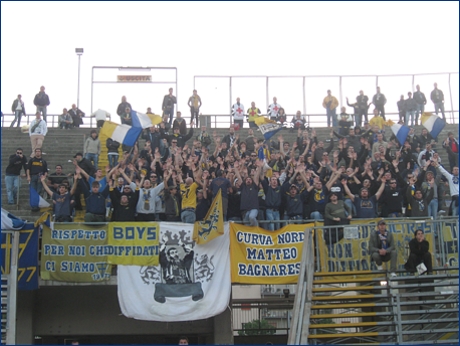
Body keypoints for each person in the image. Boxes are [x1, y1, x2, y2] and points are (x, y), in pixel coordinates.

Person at [234, 161, 262, 226]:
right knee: (246, 227)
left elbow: (257, 176)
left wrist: (259, 167)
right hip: (245, 210)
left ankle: (256, 229)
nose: (248, 180)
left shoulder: (254, 187)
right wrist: (235, 168)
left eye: (250, 179)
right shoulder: (243, 187)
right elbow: (239, 177)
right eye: (247, 179)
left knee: (252, 217)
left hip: (254, 208)